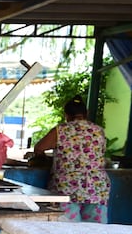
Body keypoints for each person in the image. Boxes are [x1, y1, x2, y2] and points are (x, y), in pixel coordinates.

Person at [34, 95, 110, 223]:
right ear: (86, 114)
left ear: (66, 115)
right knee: (95, 233)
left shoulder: (61, 130)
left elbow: (39, 148)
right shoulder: (99, 131)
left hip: (67, 188)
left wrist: (45, 158)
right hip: (97, 189)